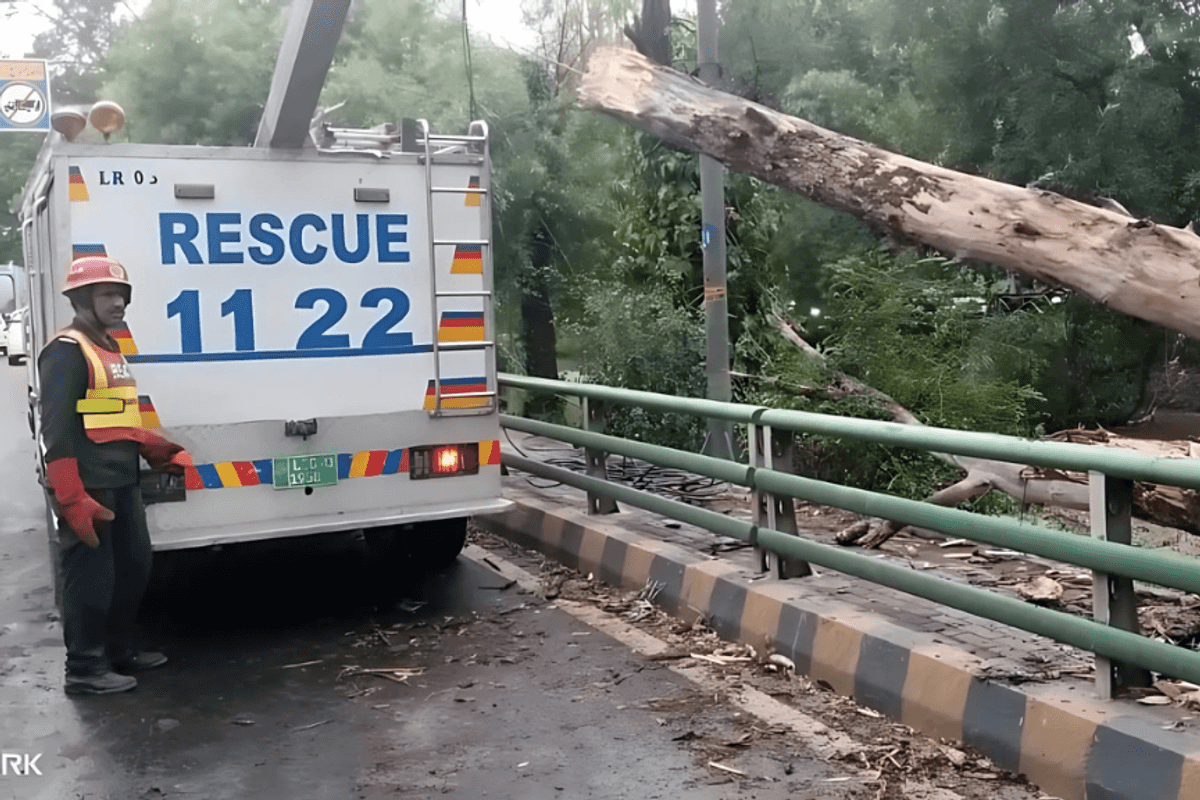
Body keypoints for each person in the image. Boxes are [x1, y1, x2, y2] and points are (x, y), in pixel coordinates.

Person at [38, 255, 193, 696]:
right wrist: (71, 496)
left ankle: (119, 649)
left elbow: (113, 417)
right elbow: (58, 430)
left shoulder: (107, 347)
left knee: (133, 567)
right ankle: (85, 667)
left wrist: (155, 449)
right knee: (90, 578)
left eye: (122, 295)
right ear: (83, 298)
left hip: (121, 479)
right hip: (89, 486)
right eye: (108, 294)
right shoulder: (66, 352)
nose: (119, 303)